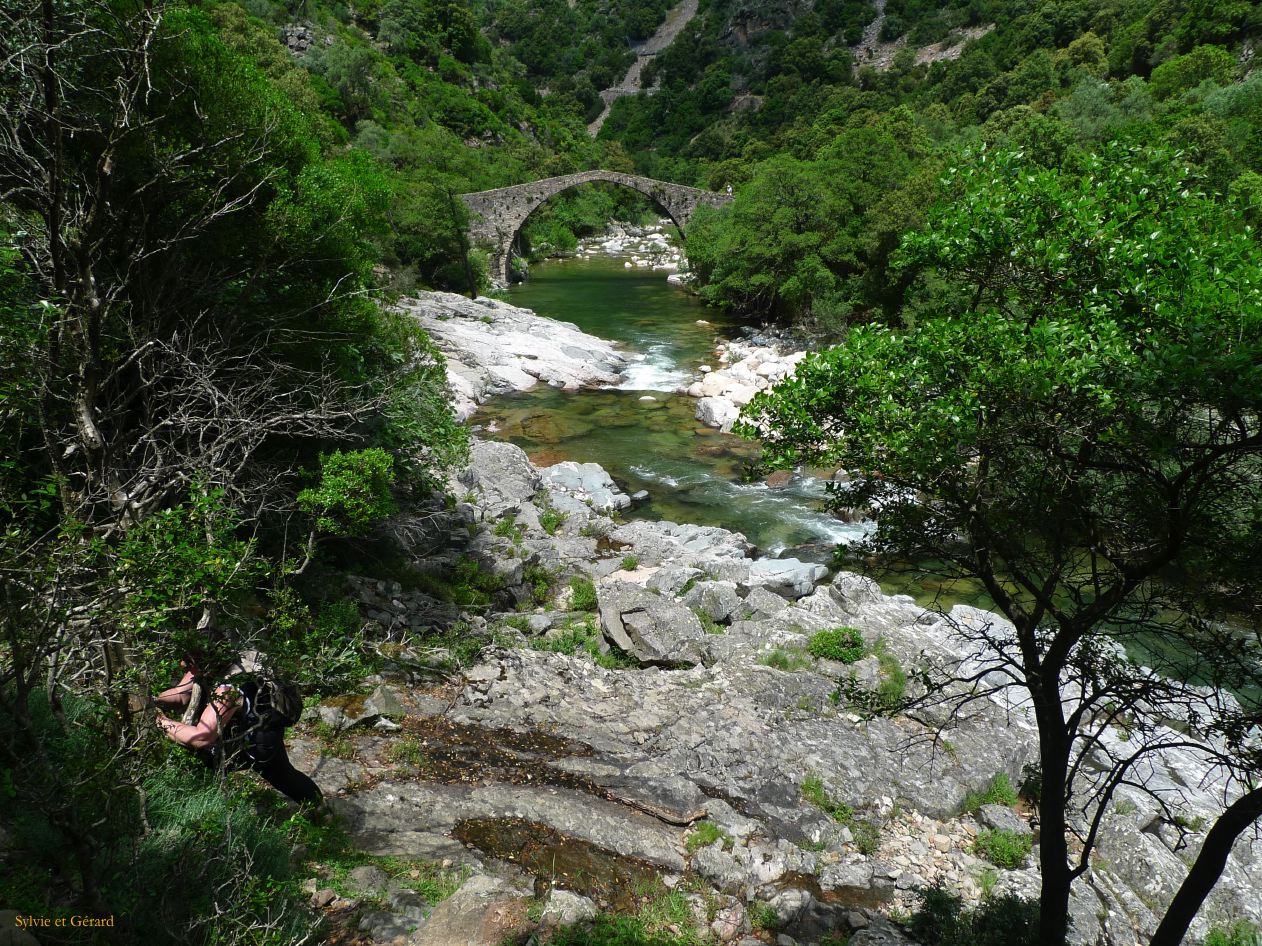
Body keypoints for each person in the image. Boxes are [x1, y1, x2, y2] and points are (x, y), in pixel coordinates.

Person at [154, 657, 324, 806]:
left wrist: (160, 721)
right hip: (253, 725)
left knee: (279, 774)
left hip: (258, 742)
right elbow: (181, 694)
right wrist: (151, 701)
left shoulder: (228, 689)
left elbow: (202, 737)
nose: (182, 664)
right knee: (283, 774)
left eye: (188, 659)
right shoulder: (209, 665)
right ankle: (320, 809)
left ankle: (321, 812)